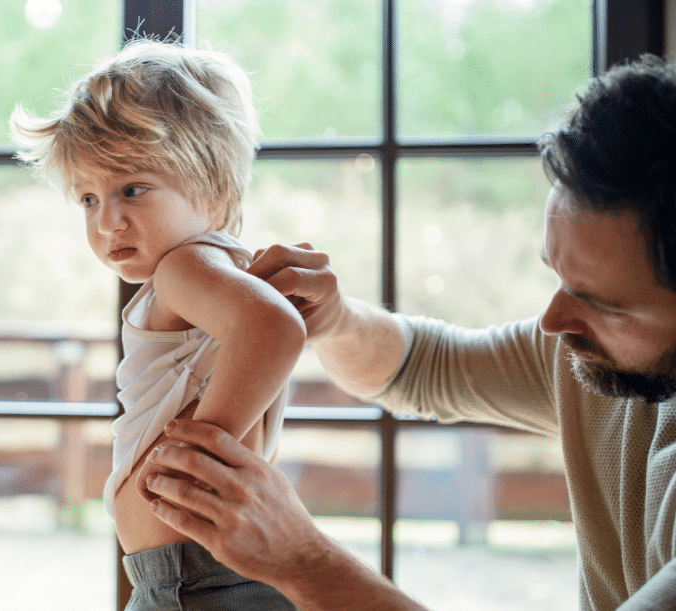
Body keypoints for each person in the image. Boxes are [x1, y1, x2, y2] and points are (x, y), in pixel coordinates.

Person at [141, 54, 676, 611]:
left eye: (602, 304)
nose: (553, 321)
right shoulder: (591, 356)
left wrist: (304, 562)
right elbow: (425, 365)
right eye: (557, 274)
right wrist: (338, 320)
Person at [10, 39, 305, 610]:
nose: (108, 221)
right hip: (195, 574)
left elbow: (276, 329)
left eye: (132, 189)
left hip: (195, 579)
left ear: (215, 189)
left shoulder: (184, 267)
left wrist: (192, 460)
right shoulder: (208, 270)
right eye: (88, 199)